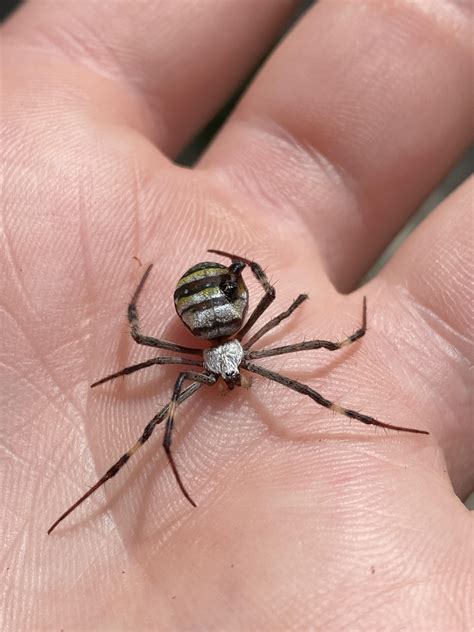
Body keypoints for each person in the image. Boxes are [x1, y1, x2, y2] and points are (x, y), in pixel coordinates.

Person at [1, 1, 472, 629]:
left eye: (229, 374)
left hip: (215, 304)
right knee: (159, 427)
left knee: (300, 391)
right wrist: (231, 280)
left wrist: (245, 275)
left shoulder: (218, 357)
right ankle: (91, 499)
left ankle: (381, 426)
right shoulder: (211, 361)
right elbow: (150, 334)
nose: (230, 380)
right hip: (218, 303)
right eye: (227, 376)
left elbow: (287, 309)